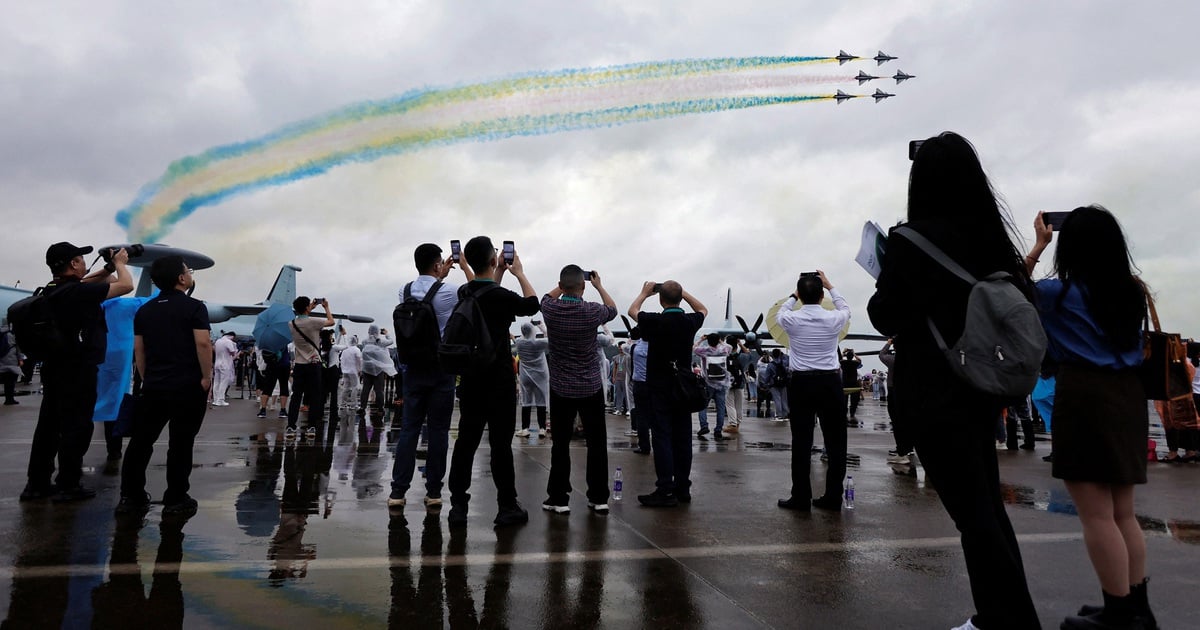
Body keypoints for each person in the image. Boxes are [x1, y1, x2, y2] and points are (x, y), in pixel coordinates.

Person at [867, 132, 1040, 630]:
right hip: (980, 385)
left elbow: (885, 314)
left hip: (932, 389)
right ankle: (1005, 615)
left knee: (974, 515)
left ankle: (1004, 620)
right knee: (985, 504)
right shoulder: (990, 237)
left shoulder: (910, 240)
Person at [1028, 206, 1156, 629]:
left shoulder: (1056, 293)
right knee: (1123, 513)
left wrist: (1039, 245)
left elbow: (1010, 287)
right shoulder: (1133, 292)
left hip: (1085, 394)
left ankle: (1118, 615)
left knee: (1096, 515)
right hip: (1128, 396)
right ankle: (1136, 607)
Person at [22, 242, 133, 502]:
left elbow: (87, 282)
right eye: (81, 259)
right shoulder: (77, 294)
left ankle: (36, 484)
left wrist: (106, 267)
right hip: (78, 369)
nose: (84, 263)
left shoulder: (53, 290)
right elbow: (125, 286)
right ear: (73, 264)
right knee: (76, 427)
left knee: (48, 427)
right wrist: (120, 265)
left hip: (55, 367)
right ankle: (68, 483)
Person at [446, 236, 540, 528]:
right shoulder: (501, 297)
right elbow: (532, 305)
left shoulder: (464, 292)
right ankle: (506, 505)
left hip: (472, 378)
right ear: (492, 260)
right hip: (498, 379)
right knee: (500, 445)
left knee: (466, 443)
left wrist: (494, 271)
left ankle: (458, 506)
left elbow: (482, 290)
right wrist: (518, 272)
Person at [116, 255, 211, 516]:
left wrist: (148, 379)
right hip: (188, 386)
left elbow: (140, 349)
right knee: (181, 443)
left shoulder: (145, 310)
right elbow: (203, 343)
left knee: (140, 442)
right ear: (181, 279)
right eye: (187, 271)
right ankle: (176, 498)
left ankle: (131, 496)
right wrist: (206, 377)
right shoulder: (195, 307)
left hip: (155, 387)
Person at [389, 243, 472, 511]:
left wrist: (438, 275)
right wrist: (457, 269)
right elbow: (474, 292)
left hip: (412, 368)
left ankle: (398, 491)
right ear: (438, 264)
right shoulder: (449, 292)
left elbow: (424, 295)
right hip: (440, 368)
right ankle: (434, 491)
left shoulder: (404, 290)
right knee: (437, 431)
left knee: (409, 430)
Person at [540, 265, 618, 515]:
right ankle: (598, 497)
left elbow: (545, 298)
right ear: (583, 288)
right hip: (590, 386)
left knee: (560, 444)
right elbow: (613, 309)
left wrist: (563, 286)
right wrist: (598, 286)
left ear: (561, 286)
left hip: (561, 387)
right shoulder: (592, 311)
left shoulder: (551, 309)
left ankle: (559, 498)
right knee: (597, 443)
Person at [775, 271, 851, 512]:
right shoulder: (835, 319)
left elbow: (781, 312)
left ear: (800, 296)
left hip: (801, 384)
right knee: (836, 443)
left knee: (801, 443)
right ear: (821, 296)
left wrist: (793, 295)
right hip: (830, 383)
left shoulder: (790, 320)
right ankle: (833, 497)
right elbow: (845, 307)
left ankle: (800, 497)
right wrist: (830, 285)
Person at [628, 280, 707, 507]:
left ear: (661, 300)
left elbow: (632, 311)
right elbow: (703, 309)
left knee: (662, 436)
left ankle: (665, 487)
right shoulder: (689, 321)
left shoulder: (655, 321)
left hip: (659, 387)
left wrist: (644, 292)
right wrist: (684, 293)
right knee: (683, 438)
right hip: (683, 388)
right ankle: (683, 487)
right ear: (680, 299)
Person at [287, 296, 334, 439]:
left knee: (296, 396)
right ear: (307, 308)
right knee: (315, 395)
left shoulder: (291, 323)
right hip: (314, 363)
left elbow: (303, 316)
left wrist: (309, 307)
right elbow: (331, 322)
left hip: (300, 364)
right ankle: (311, 426)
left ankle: (291, 426)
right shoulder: (313, 322)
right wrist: (325, 307)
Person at [693, 333, 732, 439]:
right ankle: (718, 430)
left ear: (708, 341)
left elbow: (694, 348)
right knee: (720, 408)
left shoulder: (705, 351)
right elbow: (730, 347)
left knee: (703, 406)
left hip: (707, 383)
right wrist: (720, 341)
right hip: (721, 383)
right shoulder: (724, 350)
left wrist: (701, 339)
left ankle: (704, 426)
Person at [515, 321, 549, 437]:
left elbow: (520, 336)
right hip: (540, 376)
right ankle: (542, 428)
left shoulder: (519, 342)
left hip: (525, 376)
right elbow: (550, 338)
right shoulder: (538, 343)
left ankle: (525, 428)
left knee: (526, 402)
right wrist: (541, 326)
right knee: (541, 402)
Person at [359, 324, 396, 414]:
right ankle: (380, 408)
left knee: (365, 389)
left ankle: (362, 407)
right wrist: (387, 334)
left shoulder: (364, 341)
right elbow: (391, 341)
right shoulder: (381, 342)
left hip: (367, 369)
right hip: (378, 370)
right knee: (379, 390)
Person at [628, 327, 651, 453]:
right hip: (654, 385)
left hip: (639, 385)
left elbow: (629, 342)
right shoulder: (657, 347)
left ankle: (644, 446)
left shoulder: (634, 347)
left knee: (641, 416)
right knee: (657, 415)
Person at [255, 342, 290, 419]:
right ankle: (283, 410)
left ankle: (263, 410)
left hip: (271, 365)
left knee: (267, 387)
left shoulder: (268, 341)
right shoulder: (284, 340)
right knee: (284, 386)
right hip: (284, 365)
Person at [725, 336, 749, 433]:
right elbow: (748, 354)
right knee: (739, 405)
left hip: (727, 383)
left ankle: (732, 424)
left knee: (730, 404)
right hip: (740, 383)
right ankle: (737, 423)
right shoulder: (742, 357)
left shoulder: (724, 356)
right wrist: (740, 343)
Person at [212, 331, 238, 406]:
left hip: (217, 363)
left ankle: (215, 399)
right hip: (225, 364)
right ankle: (221, 400)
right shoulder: (228, 342)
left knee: (216, 382)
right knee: (223, 382)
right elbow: (233, 353)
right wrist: (235, 348)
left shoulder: (218, 341)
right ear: (232, 336)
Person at [338, 335, 362, 410]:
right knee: (355, 388)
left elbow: (341, 360)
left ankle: (343, 404)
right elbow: (359, 361)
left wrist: (343, 370)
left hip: (345, 371)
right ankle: (353, 404)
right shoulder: (356, 350)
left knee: (346, 387)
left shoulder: (345, 350)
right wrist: (360, 370)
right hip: (353, 371)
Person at [1, 323, 21, 405]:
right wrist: (20, 359)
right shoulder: (13, 334)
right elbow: (18, 347)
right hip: (11, 359)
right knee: (11, 381)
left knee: (6, 380)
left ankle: (8, 399)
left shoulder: (2, 334)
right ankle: (10, 399)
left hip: (2, 358)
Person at [840, 348, 863, 420]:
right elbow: (859, 360)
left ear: (846, 356)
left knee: (844, 400)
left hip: (845, 383)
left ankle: (844, 412)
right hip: (854, 383)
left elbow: (838, 359)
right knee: (854, 401)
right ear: (852, 357)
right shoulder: (855, 363)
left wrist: (843, 352)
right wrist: (854, 353)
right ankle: (852, 413)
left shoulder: (843, 362)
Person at [611, 341, 631, 416]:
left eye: (622, 346)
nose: (621, 348)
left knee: (627, 394)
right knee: (618, 394)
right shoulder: (616, 357)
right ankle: (618, 409)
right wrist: (613, 377)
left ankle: (629, 409)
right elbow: (615, 368)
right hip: (618, 378)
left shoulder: (628, 356)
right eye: (620, 346)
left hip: (626, 378)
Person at [769, 349, 789, 420]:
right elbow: (787, 359)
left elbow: (767, 375)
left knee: (777, 399)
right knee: (784, 399)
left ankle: (779, 414)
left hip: (774, 384)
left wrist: (765, 384)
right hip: (783, 383)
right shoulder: (784, 362)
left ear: (772, 355)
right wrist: (783, 355)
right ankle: (785, 414)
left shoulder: (771, 364)